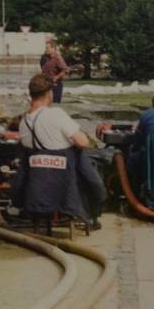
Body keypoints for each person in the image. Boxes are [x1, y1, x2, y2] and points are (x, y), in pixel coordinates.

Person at [12, 74, 106, 228]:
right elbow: (83, 142)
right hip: (64, 180)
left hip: (39, 179)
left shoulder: (24, 122)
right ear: (49, 93)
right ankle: (91, 215)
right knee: (93, 169)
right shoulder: (56, 114)